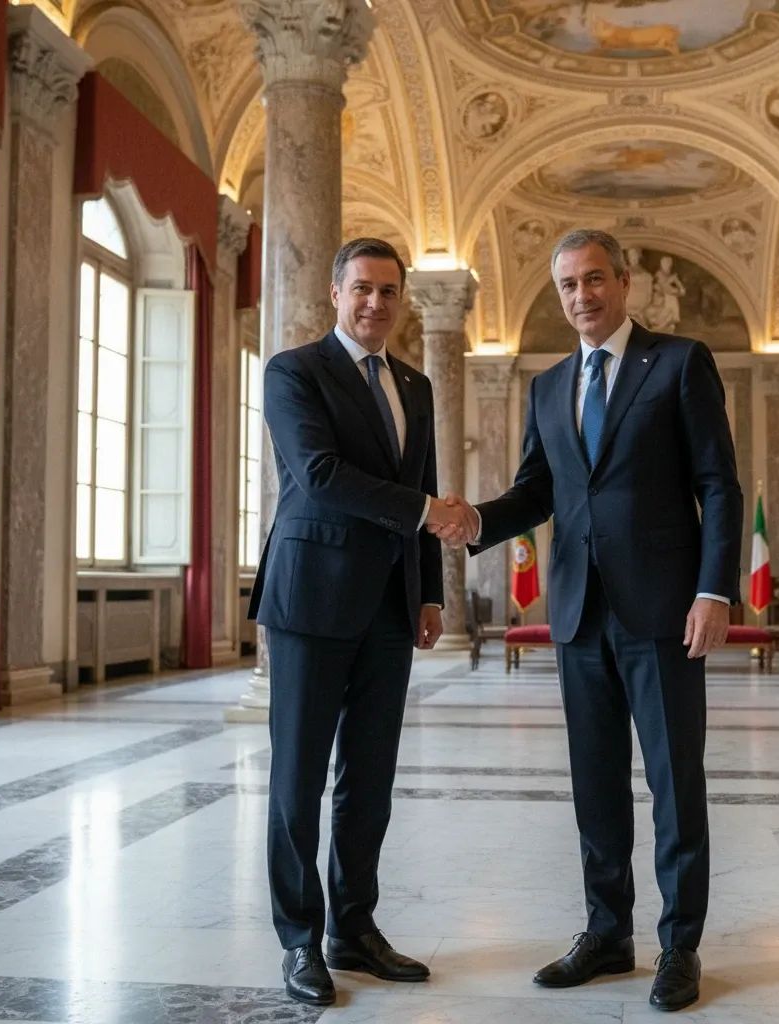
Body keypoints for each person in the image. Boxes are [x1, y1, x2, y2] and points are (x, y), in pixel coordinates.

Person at [433, 229, 742, 1012]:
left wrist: (714, 590)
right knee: (595, 785)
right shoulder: (547, 386)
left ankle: (680, 946)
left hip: (664, 610)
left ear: (625, 282)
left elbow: (719, 484)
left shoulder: (678, 362)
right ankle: (607, 934)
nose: (582, 296)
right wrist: (479, 522)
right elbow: (538, 490)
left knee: (675, 781)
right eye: (568, 285)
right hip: (578, 612)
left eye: (595, 279)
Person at [248, 237, 477, 1007]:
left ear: (401, 300)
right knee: (297, 779)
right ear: (334, 294)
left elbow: (429, 481)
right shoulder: (293, 371)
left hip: (388, 605)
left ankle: (354, 927)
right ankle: (298, 940)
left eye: (388, 291)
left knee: (369, 780)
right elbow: (317, 474)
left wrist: (431, 592)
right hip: (311, 599)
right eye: (362, 290)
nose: (374, 303)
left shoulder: (413, 382)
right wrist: (424, 510)